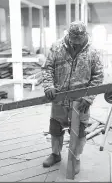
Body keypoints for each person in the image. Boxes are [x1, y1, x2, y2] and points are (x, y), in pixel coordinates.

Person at [41, 21, 104, 174]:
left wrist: (89, 97)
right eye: (73, 39)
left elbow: (98, 76)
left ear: (85, 36)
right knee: (55, 127)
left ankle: (75, 158)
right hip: (59, 98)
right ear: (68, 35)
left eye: (79, 39)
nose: (75, 42)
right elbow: (47, 67)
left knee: (80, 130)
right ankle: (55, 154)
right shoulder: (57, 47)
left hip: (81, 101)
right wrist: (49, 86)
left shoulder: (93, 52)